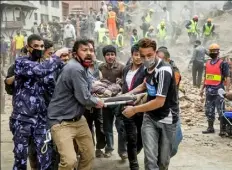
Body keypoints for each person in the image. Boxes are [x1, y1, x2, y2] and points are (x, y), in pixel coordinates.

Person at [123, 38, 179, 170]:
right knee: (150, 159)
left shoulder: (164, 70)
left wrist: (135, 109)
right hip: (150, 117)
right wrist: (128, 94)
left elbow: (159, 102)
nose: (146, 59)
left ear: (155, 52)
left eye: (149, 55)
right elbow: (145, 84)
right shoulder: (145, 68)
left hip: (167, 118)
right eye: (142, 56)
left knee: (163, 162)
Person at [10, 34, 64, 170]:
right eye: (36, 46)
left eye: (41, 46)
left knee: (46, 159)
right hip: (23, 119)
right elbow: (38, 71)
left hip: (42, 120)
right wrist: (56, 56)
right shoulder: (21, 62)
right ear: (28, 47)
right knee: (20, 159)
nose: (39, 49)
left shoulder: (48, 66)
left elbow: (54, 90)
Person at [98, 45, 127, 159]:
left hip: (118, 101)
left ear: (115, 55)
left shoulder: (122, 67)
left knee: (120, 126)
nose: (110, 57)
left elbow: (124, 82)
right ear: (104, 56)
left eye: (112, 54)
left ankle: (123, 151)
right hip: (105, 101)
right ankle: (109, 149)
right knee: (107, 127)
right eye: (108, 55)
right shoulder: (101, 67)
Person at [122, 44, 145, 170]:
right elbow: (124, 86)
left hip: (141, 107)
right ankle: (133, 165)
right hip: (127, 107)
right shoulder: (126, 69)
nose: (138, 58)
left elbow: (144, 86)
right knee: (131, 137)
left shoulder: (145, 70)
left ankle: (135, 150)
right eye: (136, 55)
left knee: (141, 135)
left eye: (140, 55)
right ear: (132, 55)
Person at [200, 43, 230, 136]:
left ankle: (222, 130)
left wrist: (227, 90)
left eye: (214, 51)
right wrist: (202, 89)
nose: (213, 53)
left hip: (219, 91)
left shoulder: (223, 63)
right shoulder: (208, 63)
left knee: (221, 110)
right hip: (209, 90)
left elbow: (227, 77)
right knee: (209, 109)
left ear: (218, 52)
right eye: (211, 51)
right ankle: (210, 128)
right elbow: (206, 77)